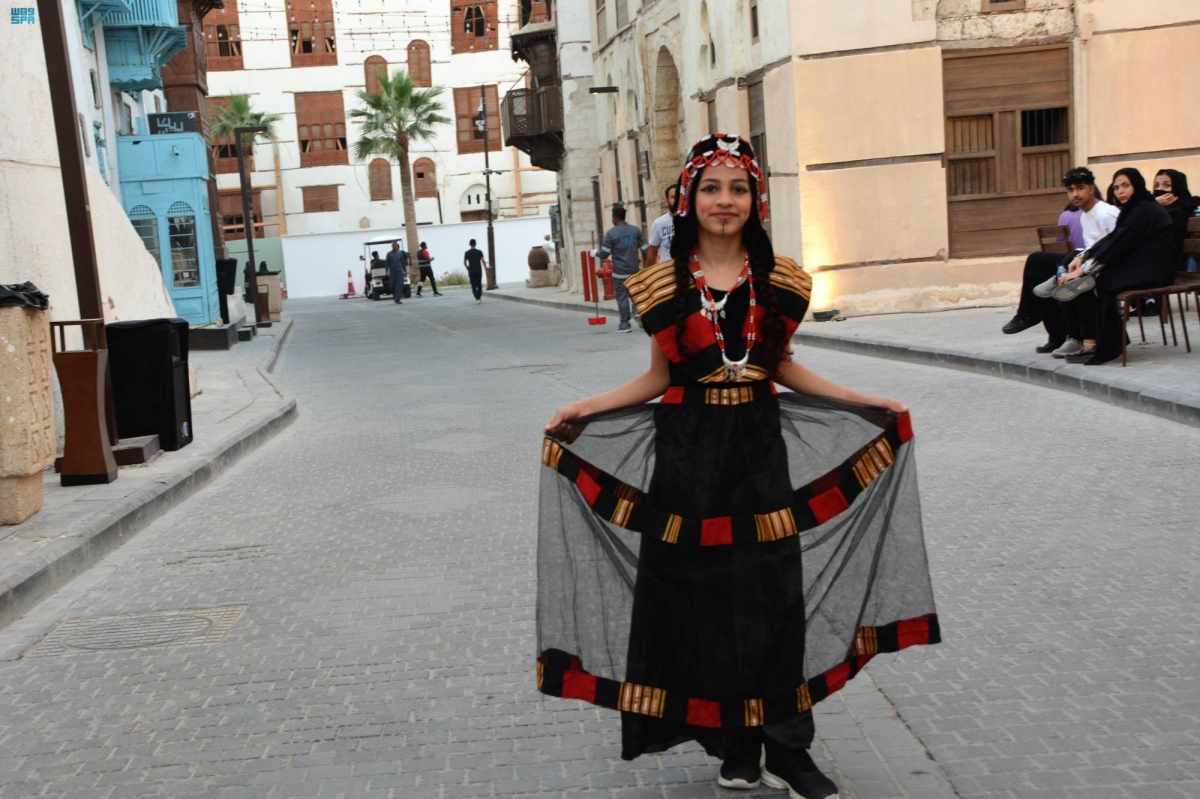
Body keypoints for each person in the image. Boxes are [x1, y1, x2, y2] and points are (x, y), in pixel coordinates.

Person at [539, 135, 939, 798]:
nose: (724, 201)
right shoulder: (661, 284)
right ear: (688, 199)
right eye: (711, 188)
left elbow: (780, 367)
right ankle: (736, 745)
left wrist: (863, 400)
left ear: (756, 199)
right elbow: (658, 378)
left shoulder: (782, 281)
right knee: (699, 602)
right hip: (687, 456)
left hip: (758, 448)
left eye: (738, 188)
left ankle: (787, 747)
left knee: (773, 599)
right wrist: (586, 405)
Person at [1053, 168, 1178, 364]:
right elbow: (1112, 238)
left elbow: (1117, 244)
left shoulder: (1145, 210)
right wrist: (1084, 256)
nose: (1120, 191)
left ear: (1136, 185)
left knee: (1093, 280)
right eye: (1117, 187)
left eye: (1125, 186)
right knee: (1089, 280)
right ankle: (1097, 342)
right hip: (1142, 266)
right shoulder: (1134, 209)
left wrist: (1082, 270)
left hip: (1156, 271)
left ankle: (1101, 344)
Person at [1002, 168, 1100, 352]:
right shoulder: (1085, 214)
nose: (1075, 194)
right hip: (1080, 261)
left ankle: (1032, 316)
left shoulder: (1102, 213)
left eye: (1080, 188)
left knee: (1044, 266)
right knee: (1038, 268)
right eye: (1070, 190)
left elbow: (1109, 246)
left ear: (1091, 189)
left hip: (1094, 266)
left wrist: (1080, 264)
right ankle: (1051, 332)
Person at [593, 205, 648, 332]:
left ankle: (624, 325)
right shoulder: (635, 231)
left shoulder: (611, 234)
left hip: (619, 274)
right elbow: (646, 250)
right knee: (636, 295)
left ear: (615, 218)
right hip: (635, 271)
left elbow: (604, 254)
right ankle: (637, 312)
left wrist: (595, 253)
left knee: (622, 298)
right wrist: (646, 266)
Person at [1153, 169, 1197, 267]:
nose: (1160, 189)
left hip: (1168, 264)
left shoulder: (1178, 212)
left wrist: (1153, 206)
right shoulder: (1153, 208)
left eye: (1167, 185)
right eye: (1156, 185)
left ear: (1178, 187)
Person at [645, 183, 678, 268]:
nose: (677, 200)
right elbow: (653, 251)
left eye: (680, 197)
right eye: (673, 197)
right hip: (667, 271)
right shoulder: (659, 223)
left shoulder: (691, 220)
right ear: (667, 201)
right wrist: (647, 272)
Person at [464, 238, 487, 303]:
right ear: (475, 244)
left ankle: (477, 298)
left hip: (471, 270)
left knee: (473, 285)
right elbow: (483, 261)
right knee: (479, 284)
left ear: (470, 244)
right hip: (478, 270)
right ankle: (479, 297)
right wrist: (486, 269)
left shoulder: (467, 253)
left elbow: (464, 262)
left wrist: (467, 268)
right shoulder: (479, 252)